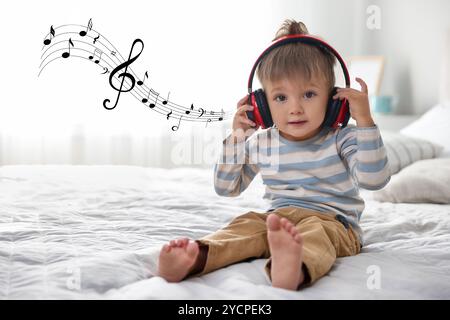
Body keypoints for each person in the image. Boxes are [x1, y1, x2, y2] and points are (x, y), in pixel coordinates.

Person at [157, 19, 390, 291]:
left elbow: (374, 180)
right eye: (281, 98)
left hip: (333, 223)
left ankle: (294, 266)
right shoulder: (262, 142)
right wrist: (237, 138)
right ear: (260, 105)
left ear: (333, 100)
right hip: (278, 221)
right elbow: (226, 188)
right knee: (247, 224)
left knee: (315, 233)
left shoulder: (343, 138)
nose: (295, 108)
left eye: (309, 94)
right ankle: (198, 256)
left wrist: (364, 122)